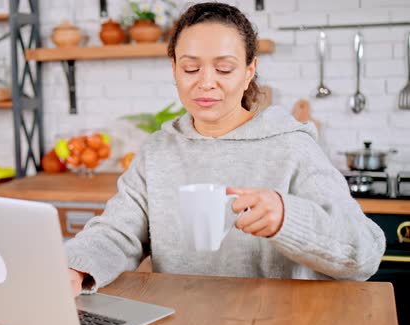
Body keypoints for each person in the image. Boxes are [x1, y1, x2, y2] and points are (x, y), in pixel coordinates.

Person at [65, 2, 386, 296]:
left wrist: (288, 217)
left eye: (224, 69)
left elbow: (365, 254)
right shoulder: (158, 151)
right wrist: (76, 267)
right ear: (174, 68)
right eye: (191, 68)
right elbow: (116, 232)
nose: (206, 82)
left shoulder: (293, 146)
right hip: (182, 319)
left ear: (249, 71)